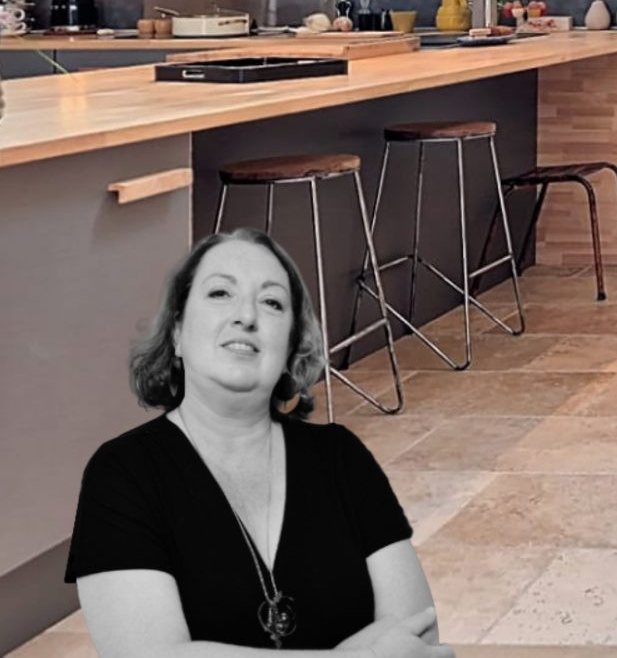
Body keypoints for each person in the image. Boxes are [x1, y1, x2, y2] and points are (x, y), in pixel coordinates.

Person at [67, 228, 451, 658]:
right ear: (176, 333)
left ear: (290, 346)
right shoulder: (122, 473)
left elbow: (420, 636)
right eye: (220, 293)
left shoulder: (341, 456)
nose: (246, 316)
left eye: (271, 302)